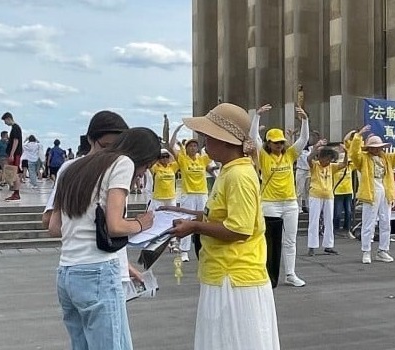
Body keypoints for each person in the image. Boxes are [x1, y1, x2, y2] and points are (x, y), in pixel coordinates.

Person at [165, 103, 280, 350]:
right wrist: (185, 215)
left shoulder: (238, 176)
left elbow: (240, 229)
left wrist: (195, 227)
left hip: (235, 277)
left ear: (226, 141)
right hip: (224, 273)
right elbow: (217, 215)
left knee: (232, 341)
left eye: (208, 136)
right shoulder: (229, 172)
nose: (204, 141)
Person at [49, 128, 160, 350]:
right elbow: (115, 226)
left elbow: (54, 226)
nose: (142, 173)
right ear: (141, 155)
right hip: (97, 272)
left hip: (67, 272)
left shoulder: (73, 167)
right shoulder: (123, 163)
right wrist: (141, 224)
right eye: (147, 166)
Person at [249, 104, 309, 287]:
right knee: (269, 242)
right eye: (276, 142)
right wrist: (257, 116)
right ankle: (266, 273)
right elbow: (253, 137)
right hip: (269, 204)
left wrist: (305, 120)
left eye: (281, 142)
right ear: (268, 143)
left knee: (290, 241)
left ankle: (290, 274)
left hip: (290, 203)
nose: (280, 145)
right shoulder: (263, 155)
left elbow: (303, 139)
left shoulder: (290, 154)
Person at [350, 125, 395, 264]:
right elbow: (353, 154)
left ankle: (383, 250)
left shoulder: (386, 158)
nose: (377, 149)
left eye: (379, 147)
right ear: (369, 148)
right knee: (368, 222)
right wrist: (358, 136)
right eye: (374, 147)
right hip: (371, 191)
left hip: (386, 190)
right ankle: (366, 251)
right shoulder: (363, 159)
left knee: (385, 222)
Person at [168, 124, 213, 262]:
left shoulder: (202, 159)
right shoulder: (183, 159)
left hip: (202, 194)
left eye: (195, 146)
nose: (193, 148)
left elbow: (211, 149)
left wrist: (206, 133)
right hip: (188, 194)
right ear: (186, 148)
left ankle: (205, 249)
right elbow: (171, 145)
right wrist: (176, 130)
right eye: (190, 146)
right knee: (187, 221)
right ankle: (184, 251)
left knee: (205, 221)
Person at [306, 140, 347, 256]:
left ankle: (328, 245)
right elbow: (309, 159)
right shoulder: (314, 165)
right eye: (327, 159)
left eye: (330, 159)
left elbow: (343, 164)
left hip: (329, 196)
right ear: (321, 158)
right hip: (315, 195)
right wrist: (316, 148)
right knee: (314, 221)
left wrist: (346, 153)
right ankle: (312, 246)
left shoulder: (331, 167)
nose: (328, 161)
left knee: (329, 221)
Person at [333, 131, 357, 239]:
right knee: (337, 213)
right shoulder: (334, 166)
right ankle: (335, 229)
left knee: (348, 212)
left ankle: (347, 230)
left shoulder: (350, 167)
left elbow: (352, 152)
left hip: (348, 191)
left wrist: (351, 134)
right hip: (337, 191)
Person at [1, 112, 23, 201]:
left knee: (15, 173)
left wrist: (12, 154)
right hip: (15, 153)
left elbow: (16, 141)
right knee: (14, 172)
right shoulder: (14, 128)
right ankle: (15, 192)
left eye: (5, 121)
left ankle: (16, 193)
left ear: (8, 118)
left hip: (15, 153)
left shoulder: (15, 128)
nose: (5, 123)